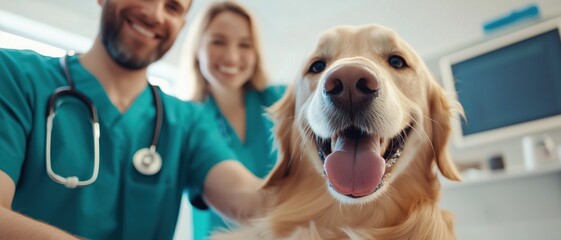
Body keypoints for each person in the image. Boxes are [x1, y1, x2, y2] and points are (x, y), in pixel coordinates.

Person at [0, 0, 265, 239]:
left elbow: (247, 198)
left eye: (172, 7)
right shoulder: (15, 77)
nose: (155, 14)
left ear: (182, 24)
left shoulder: (188, 122)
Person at [177, 0, 284, 239]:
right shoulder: (185, 122)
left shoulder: (283, 101)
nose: (232, 56)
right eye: (218, 41)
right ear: (197, 48)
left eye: (245, 45)